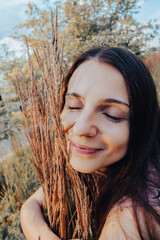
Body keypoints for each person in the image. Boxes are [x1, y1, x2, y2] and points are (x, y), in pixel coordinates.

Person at [20, 47, 160, 240]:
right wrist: (31, 217)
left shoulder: (130, 221)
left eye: (112, 115)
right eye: (74, 106)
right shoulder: (108, 162)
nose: (80, 128)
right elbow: (36, 200)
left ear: (142, 124)